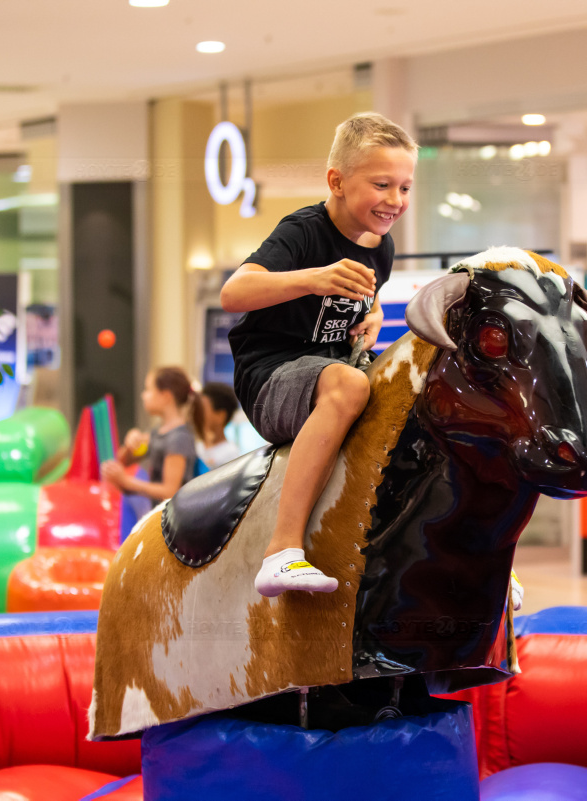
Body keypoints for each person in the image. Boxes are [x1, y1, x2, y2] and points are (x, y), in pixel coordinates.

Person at [222, 111, 416, 597]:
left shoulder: (380, 245)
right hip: (271, 377)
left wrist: (371, 315)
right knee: (350, 384)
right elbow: (234, 293)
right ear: (337, 181)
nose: (395, 200)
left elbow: (366, 295)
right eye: (382, 184)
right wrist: (313, 277)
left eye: (405, 187)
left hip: (335, 366)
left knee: (423, 393)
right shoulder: (303, 232)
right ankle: (281, 552)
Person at [102, 367, 199, 503]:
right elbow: (123, 461)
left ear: (166, 396)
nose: (143, 395)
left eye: (148, 389)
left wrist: (126, 481)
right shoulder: (158, 432)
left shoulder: (179, 438)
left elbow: (170, 492)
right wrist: (130, 444)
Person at [196, 382, 240, 470]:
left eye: (203, 410)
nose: (198, 414)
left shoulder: (231, 455)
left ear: (221, 416)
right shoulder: (198, 446)